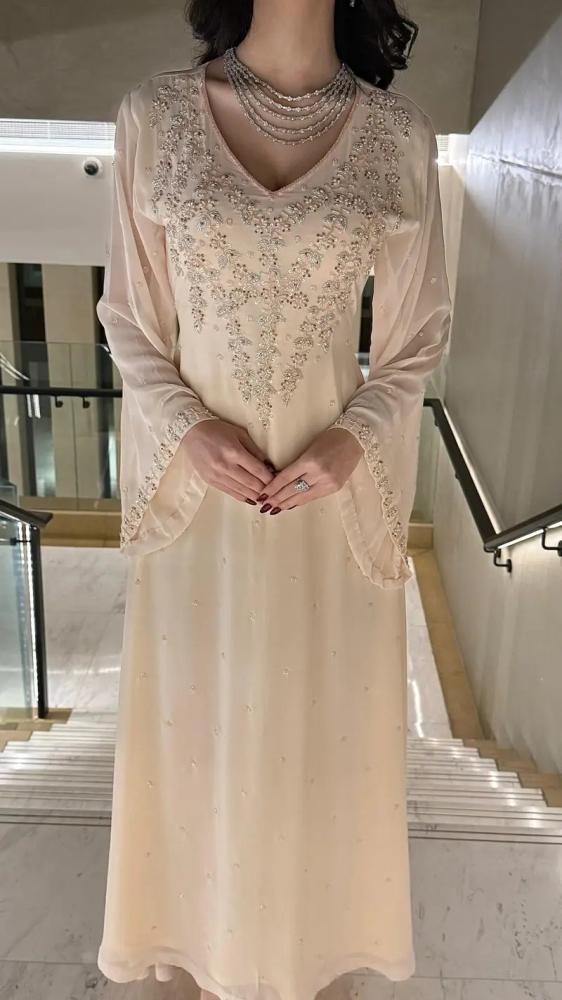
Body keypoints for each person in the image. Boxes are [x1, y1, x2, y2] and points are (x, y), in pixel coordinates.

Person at [96, 1, 451, 998]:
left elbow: (418, 333)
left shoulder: (398, 136)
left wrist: (353, 439)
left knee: (315, 744)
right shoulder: (155, 116)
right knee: (197, 739)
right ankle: (200, 946)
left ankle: (304, 952)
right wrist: (186, 424)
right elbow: (129, 317)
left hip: (328, 506)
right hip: (198, 507)